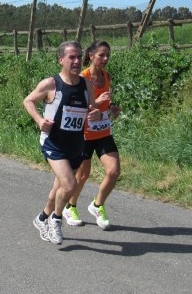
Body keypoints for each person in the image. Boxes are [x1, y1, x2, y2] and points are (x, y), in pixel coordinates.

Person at [23, 41, 100, 244]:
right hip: (53, 142)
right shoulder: (51, 84)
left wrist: (97, 114)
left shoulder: (87, 84)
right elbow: (28, 101)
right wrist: (40, 120)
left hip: (75, 144)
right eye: (71, 57)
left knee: (58, 189)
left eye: (78, 56)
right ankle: (56, 221)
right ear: (61, 60)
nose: (76, 61)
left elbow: (91, 110)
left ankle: (41, 219)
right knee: (70, 184)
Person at [63, 41, 121, 230]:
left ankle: (97, 205)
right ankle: (70, 207)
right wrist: (95, 104)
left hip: (103, 130)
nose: (105, 59)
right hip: (85, 133)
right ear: (91, 56)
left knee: (113, 171)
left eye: (107, 56)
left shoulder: (106, 75)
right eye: (101, 55)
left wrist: (112, 108)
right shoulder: (82, 78)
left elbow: (105, 102)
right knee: (82, 175)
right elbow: (76, 107)